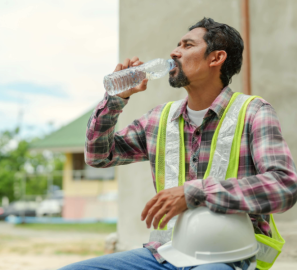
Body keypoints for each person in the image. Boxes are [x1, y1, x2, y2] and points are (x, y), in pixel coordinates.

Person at [59, 17, 297, 270]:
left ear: (216, 58)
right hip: (167, 254)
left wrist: (196, 192)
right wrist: (115, 100)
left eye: (187, 45)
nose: (174, 52)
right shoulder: (158, 119)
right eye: (177, 45)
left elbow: (284, 186)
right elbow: (98, 156)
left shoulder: (254, 112)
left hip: (227, 255)